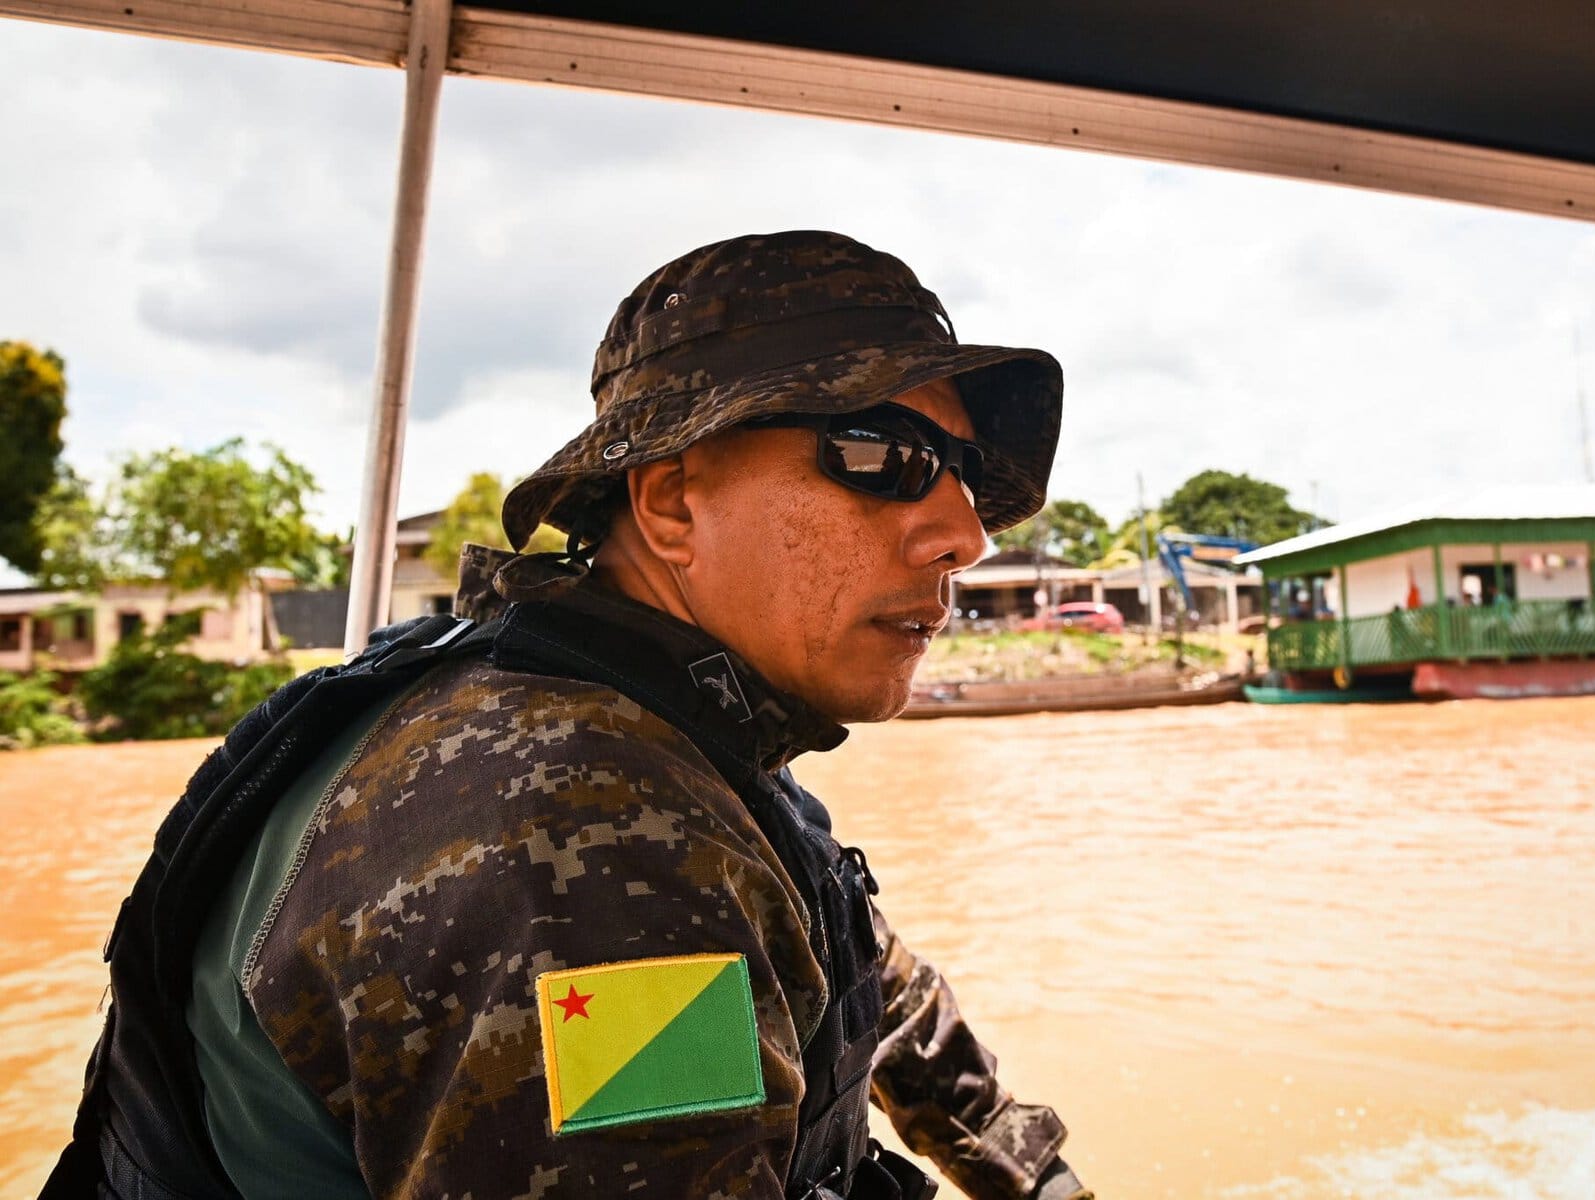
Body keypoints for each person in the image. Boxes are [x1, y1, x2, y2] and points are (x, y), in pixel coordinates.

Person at [47, 231, 1089, 1200]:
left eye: (959, 478)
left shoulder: (675, 728)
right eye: (883, 458)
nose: (964, 536)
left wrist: (1035, 1177)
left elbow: (871, 972)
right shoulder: (587, 831)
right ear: (673, 501)